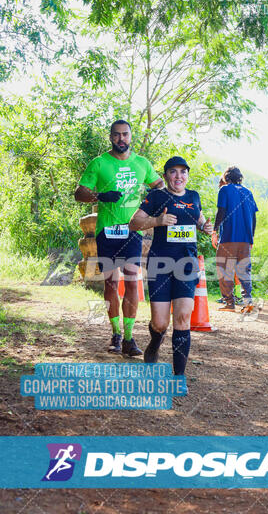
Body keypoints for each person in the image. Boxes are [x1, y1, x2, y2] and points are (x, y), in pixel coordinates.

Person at [75, 120, 164, 355]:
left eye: (125, 135)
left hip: (132, 230)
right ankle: (115, 333)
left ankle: (129, 337)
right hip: (107, 231)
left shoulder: (141, 163)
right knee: (112, 283)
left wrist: (149, 204)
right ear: (111, 137)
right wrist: (100, 195)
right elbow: (79, 193)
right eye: (116, 135)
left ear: (131, 137)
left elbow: (159, 185)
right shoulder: (100, 163)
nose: (121, 139)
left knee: (133, 281)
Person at [129, 156, 213, 378]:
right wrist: (157, 221)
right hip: (160, 264)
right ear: (166, 175)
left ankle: (179, 376)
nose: (179, 176)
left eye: (183, 172)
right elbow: (134, 223)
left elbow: (200, 220)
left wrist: (206, 226)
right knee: (160, 323)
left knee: (183, 318)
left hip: (187, 264)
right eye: (173, 172)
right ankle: (156, 340)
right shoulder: (157, 196)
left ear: (187, 175)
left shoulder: (194, 196)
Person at [212, 166, 258, 313]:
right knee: (244, 270)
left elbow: (221, 211)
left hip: (228, 238)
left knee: (225, 270)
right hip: (245, 239)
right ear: (240, 178)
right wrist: (251, 238)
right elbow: (254, 217)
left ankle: (229, 303)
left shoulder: (224, 190)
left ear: (226, 177)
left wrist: (214, 230)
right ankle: (248, 303)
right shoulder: (248, 192)